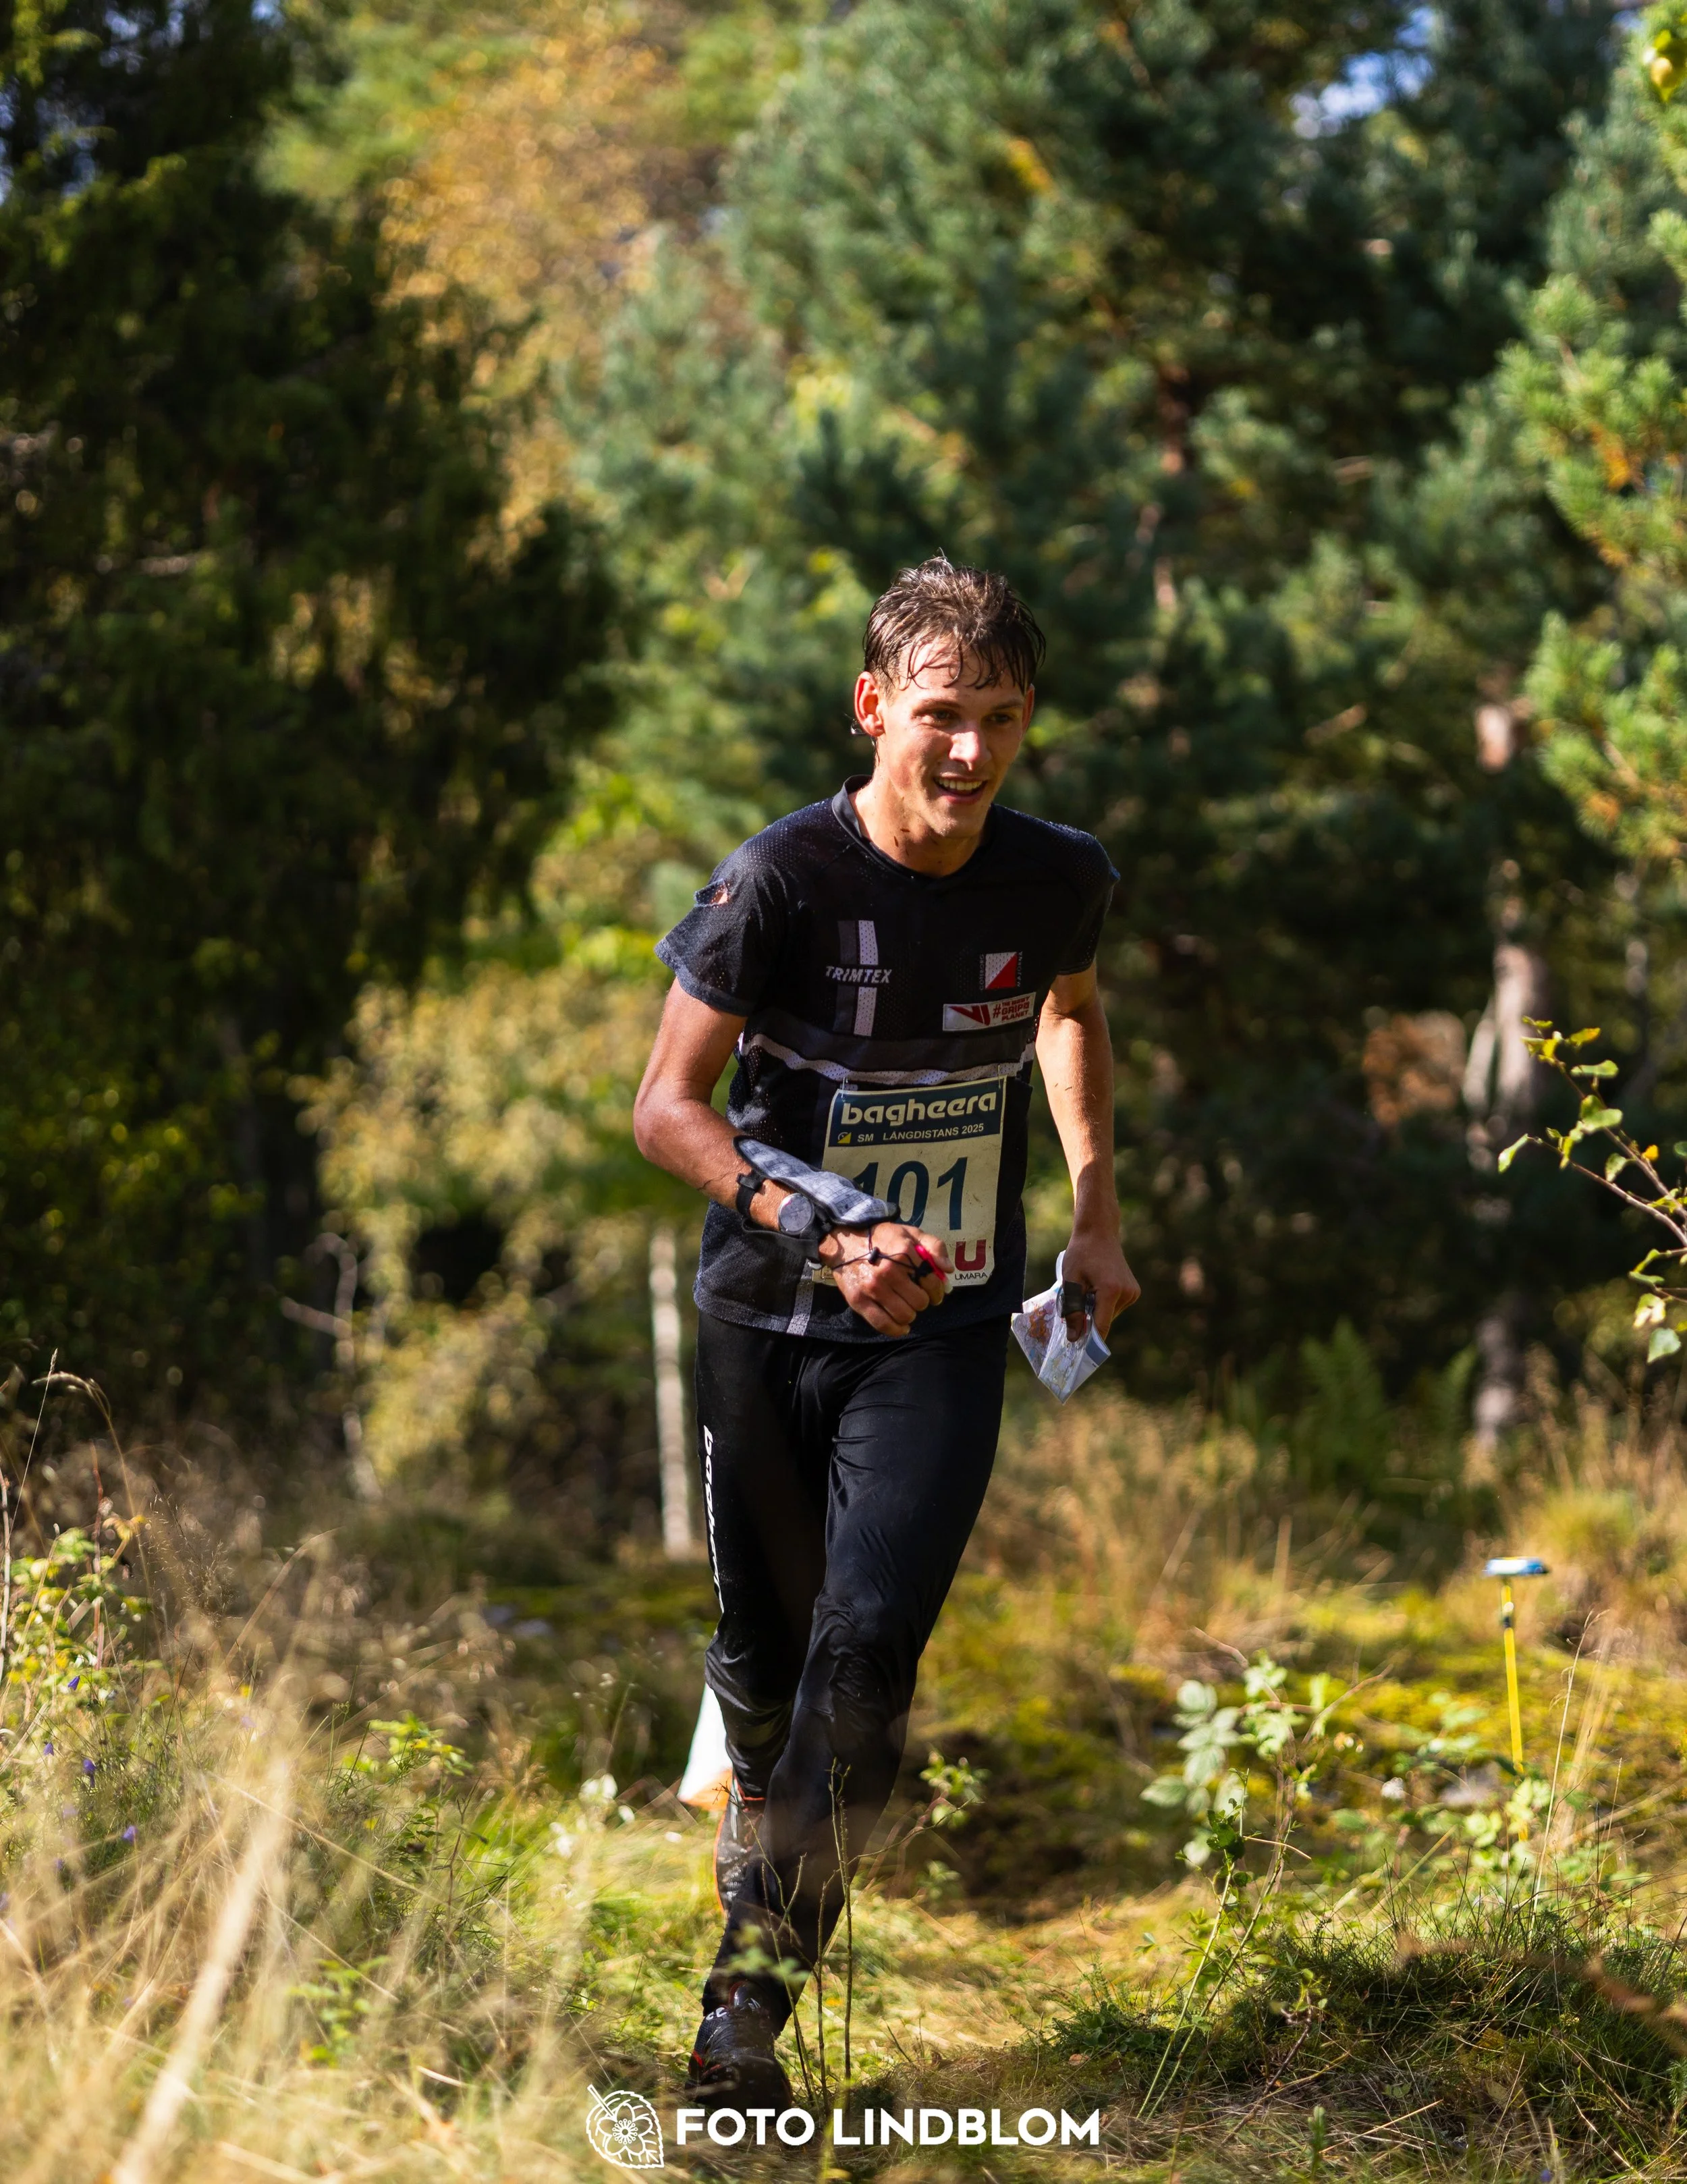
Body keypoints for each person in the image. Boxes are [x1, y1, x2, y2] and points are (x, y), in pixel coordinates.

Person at [633, 555, 1140, 2108]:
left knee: (866, 1674)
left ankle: (746, 2016)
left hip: (939, 1329)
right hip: (765, 1318)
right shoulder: (779, 880)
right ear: (872, 707)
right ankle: (749, 1809)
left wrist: (1098, 1209)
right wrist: (822, 1228)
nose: (969, 752)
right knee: (767, 1664)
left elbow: (1065, 1007)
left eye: (1000, 718)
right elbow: (665, 1109)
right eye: (938, 715)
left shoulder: (1056, 875)